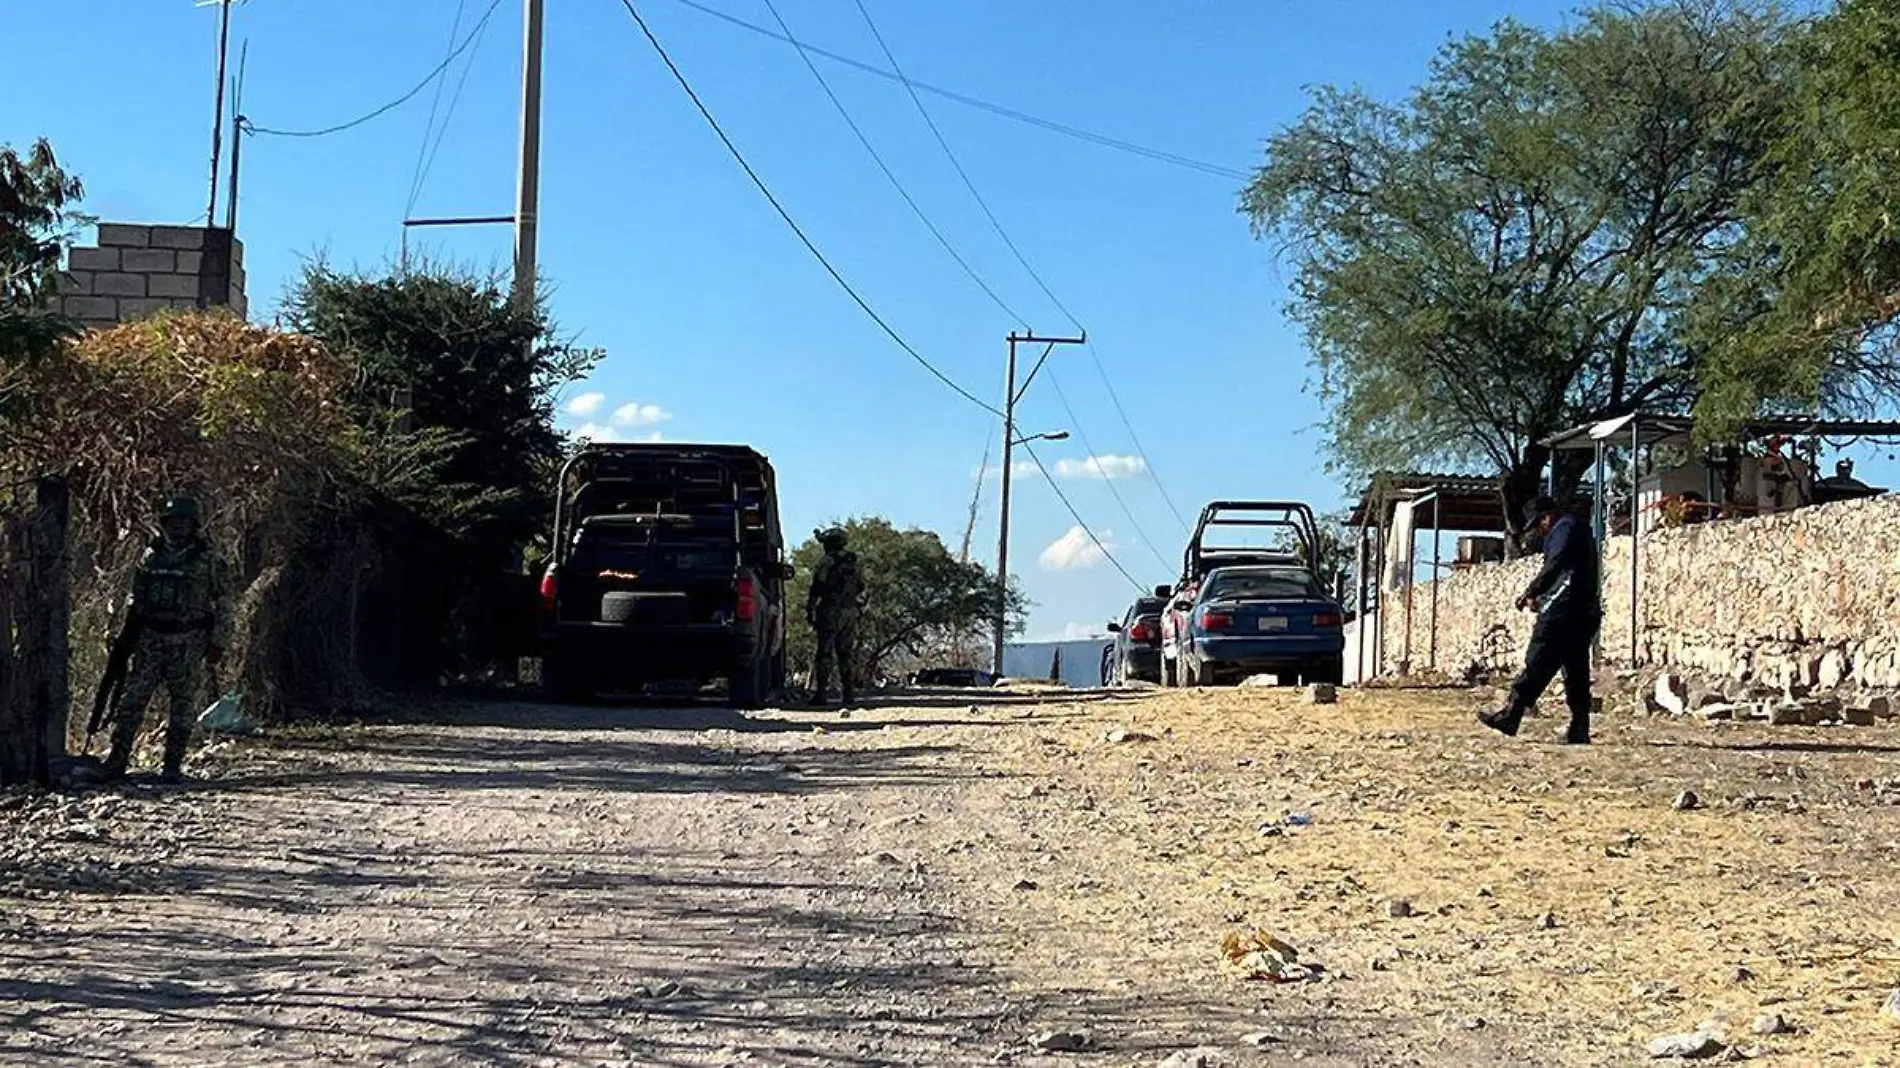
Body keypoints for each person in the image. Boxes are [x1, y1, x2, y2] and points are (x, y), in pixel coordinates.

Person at [104, 496, 231, 784]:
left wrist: (219, 642)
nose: (177, 528)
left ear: (193, 526)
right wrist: (125, 634)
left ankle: (171, 766)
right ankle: (117, 760)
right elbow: (134, 596)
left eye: (183, 523)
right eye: (172, 523)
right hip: (150, 640)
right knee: (131, 702)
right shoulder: (150, 557)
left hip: (188, 641)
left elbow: (224, 602)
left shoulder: (208, 560)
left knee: (182, 706)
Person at [1479, 495, 1600, 745]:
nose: (1540, 530)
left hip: (1563, 609)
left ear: (1548, 516)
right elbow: (1567, 570)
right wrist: (1542, 595)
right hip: (1582, 609)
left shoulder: (1564, 528)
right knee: (1575, 668)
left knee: (1538, 659)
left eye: (1539, 523)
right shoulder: (1577, 531)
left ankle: (1511, 714)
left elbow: (1556, 565)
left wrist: (1532, 591)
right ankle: (1580, 727)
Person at [806, 526, 862, 707]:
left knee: (825, 653)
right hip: (850, 611)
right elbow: (861, 586)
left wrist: (810, 608)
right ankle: (848, 694)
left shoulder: (827, 561)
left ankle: (821, 694)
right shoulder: (852, 562)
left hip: (831, 609)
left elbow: (817, 586)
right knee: (845, 654)